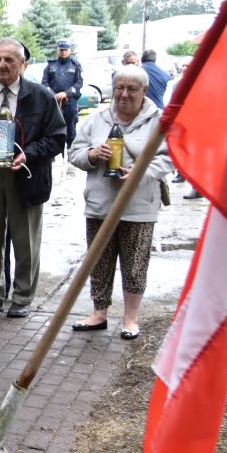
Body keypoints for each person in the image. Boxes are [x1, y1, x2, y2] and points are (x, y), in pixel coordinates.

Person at [0, 38, 66, 318]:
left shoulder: (40, 96)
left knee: (26, 240)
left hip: (26, 176)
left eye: (9, 59)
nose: (1, 65)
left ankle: (22, 296)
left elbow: (57, 137)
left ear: (23, 64)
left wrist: (29, 154)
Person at [67, 65, 172, 340]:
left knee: (135, 263)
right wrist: (91, 153)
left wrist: (141, 170)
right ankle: (98, 313)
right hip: (100, 202)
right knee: (99, 260)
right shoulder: (97, 119)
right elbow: (75, 152)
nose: (123, 95)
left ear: (145, 91)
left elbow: (168, 157)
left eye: (131, 90)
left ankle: (130, 318)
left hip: (138, 205)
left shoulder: (158, 121)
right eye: (119, 88)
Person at [42, 39, 84, 147]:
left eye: (66, 50)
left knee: (71, 130)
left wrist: (66, 93)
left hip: (70, 103)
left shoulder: (75, 66)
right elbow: (44, 83)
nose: (63, 52)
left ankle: (71, 155)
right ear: (57, 50)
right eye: (61, 50)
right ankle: (51, 155)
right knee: (52, 129)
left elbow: (78, 83)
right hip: (54, 103)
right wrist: (53, 94)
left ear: (70, 50)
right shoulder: (50, 66)